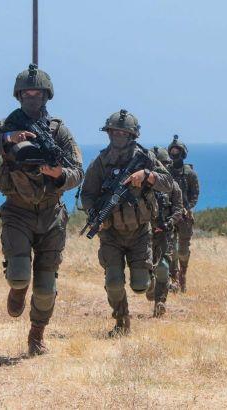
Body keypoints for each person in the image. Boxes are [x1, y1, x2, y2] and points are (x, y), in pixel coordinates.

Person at [0, 64, 84, 355]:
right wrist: (8, 138)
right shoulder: (5, 124)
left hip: (51, 213)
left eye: (38, 92)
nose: (33, 97)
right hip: (17, 211)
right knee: (20, 274)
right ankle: (18, 289)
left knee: (46, 286)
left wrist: (59, 175)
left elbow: (77, 172)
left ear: (47, 95)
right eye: (27, 93)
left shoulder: (59, 131)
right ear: (19, 95)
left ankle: (36, 336)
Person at [80, 109, 174, 336]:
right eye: (115, 132)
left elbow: (168, 183)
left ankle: (151, 282)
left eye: (124, 133)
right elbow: (87, 194)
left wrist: (147, 176)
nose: (119, 136)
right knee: (113, 282)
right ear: (109, 133)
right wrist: (94, 215)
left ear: (132, 135)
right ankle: (122, 323)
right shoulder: (101, 162)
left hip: (140, 231)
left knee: (140, 285)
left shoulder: (146, 158)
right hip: (111, 233)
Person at [145, 147, 183, 317]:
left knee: (163, 267)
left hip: (165, 233)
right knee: (144, 268)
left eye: (166, 164)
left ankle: (160, 302)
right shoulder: (144, 185)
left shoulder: (173, 186)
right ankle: (150, 287)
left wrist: (168, 223)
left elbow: (178, 209)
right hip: (144, 234)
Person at [166, 135, 199, 293]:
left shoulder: (190, 173)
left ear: (183, 153)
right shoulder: (165, 172)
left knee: (183, 250)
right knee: (170, 249)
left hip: (185, 217)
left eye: (177, 151)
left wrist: (188, 208)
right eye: (171, 151)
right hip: (170, 215)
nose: (174, 154)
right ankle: (174, 279)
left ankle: (183, 276)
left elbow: (195, 194)